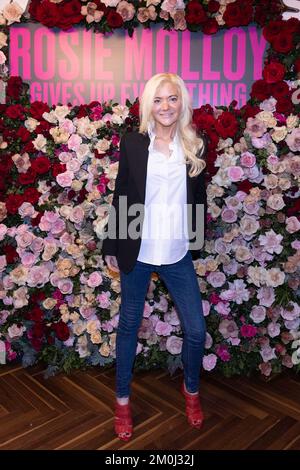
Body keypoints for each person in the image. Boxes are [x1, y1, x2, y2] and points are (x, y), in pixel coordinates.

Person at [102, 73, 207, 441]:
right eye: (158, 100)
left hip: (176, 252)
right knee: (129, 325)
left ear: (182, 103)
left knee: (196, 330)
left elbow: (198, 198)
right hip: (139, 249)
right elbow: (122, 195)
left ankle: (191, 392)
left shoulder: (195, 145)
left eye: (172, 99)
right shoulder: (133, 143)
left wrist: (196, 243)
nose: (165, 106)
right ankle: (123, 401)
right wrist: (112, 245)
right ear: (149, 105)